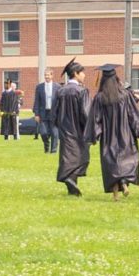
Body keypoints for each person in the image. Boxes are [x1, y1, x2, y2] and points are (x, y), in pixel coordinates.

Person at [87, 64, 139, 199]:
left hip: (109, 136)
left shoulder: (100, 98)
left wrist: (94, 136)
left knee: (111, 162)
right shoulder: (125, 95)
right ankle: (124, 182)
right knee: (126, 158)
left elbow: (96, 119)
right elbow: (132, 114)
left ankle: (115, 194)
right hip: (125, 133)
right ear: (116, 78)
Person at [53, 60, 92, 196]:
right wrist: (90, 128)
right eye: (82, 73)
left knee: (68, 156)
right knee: (82, 157)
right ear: (75, 74)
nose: (84, 75)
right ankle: (69, 179)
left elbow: (54, 113)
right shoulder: (81, 91)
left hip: (64, 129)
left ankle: (71, 187)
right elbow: (86, 113)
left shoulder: (60, 91)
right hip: (79, 130)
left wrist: (60, 126)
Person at [32, 74, 61, 153]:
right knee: (44, 133)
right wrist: (36, 114)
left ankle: (53, 151)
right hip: (43, 113)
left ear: (52, 75)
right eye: (45, 75)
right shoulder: (39, 87)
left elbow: (60, 101)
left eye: (48, 75)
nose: (47, 77)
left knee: (54, 133)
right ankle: (46, 144)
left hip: (54, 113)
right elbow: (37, 101)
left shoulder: (58, 87)